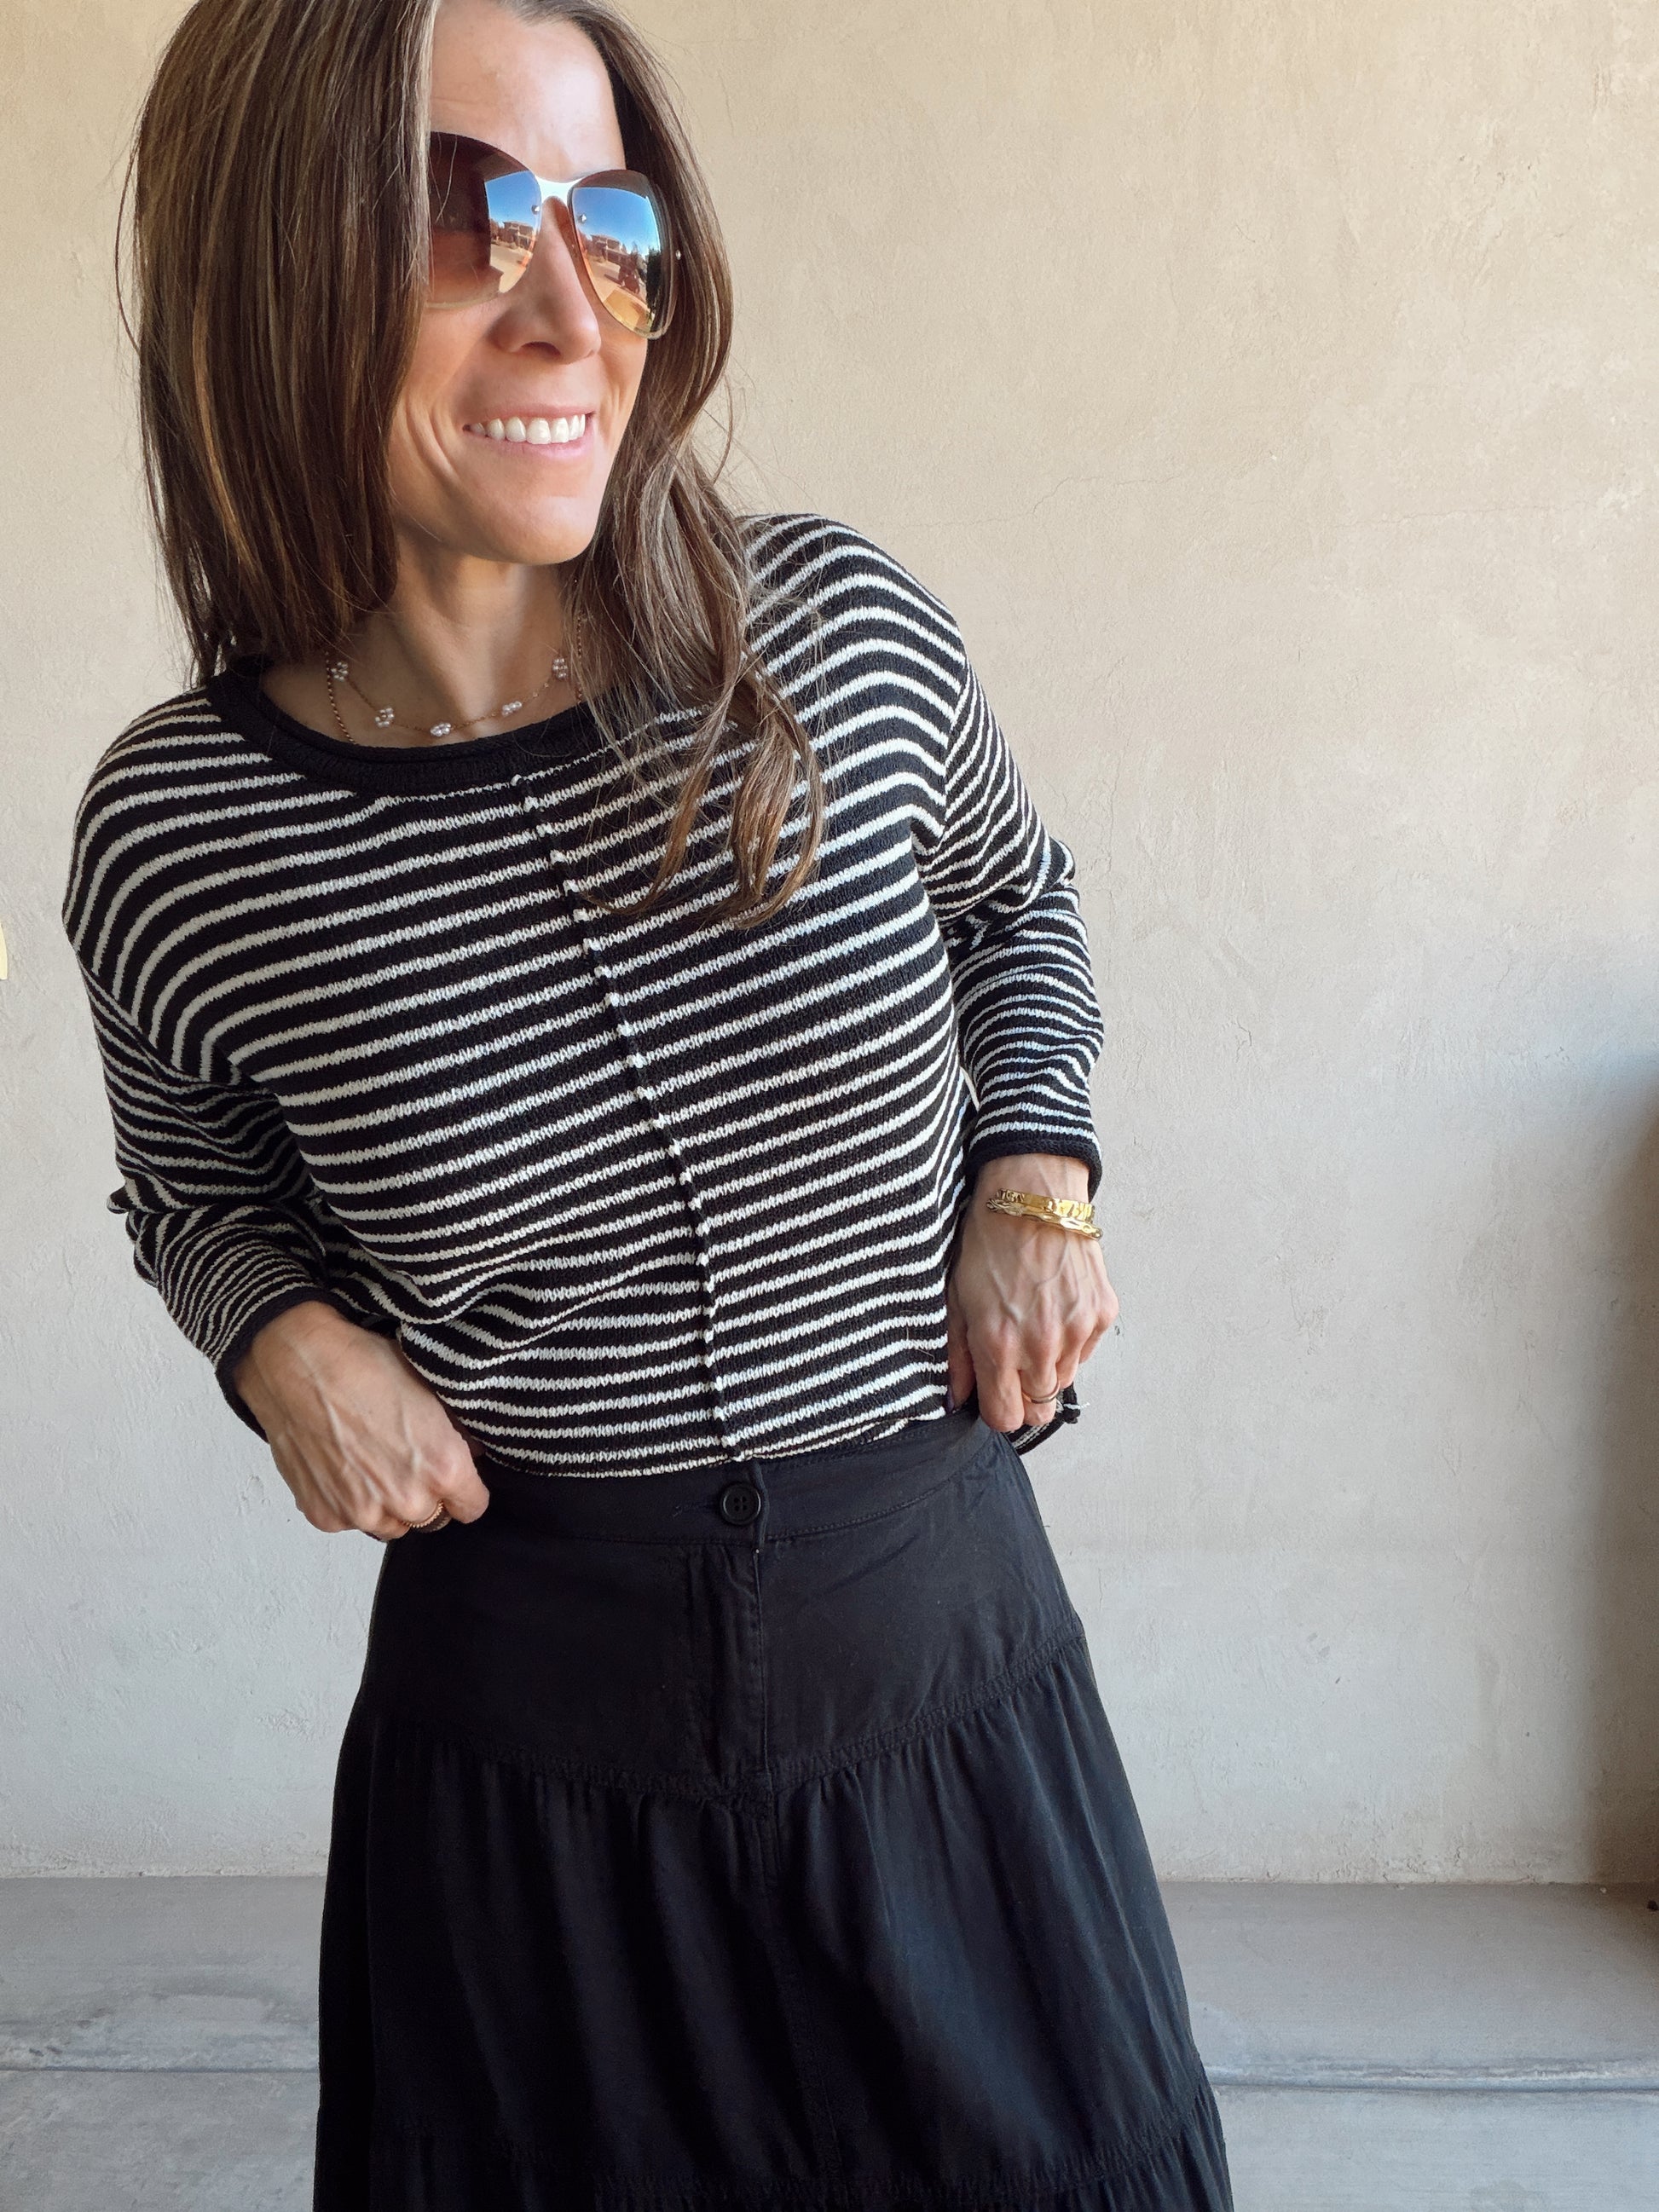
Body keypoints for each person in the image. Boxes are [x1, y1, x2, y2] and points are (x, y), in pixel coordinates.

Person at [64, 0, 1234, 2204]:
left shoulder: (833, 638)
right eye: (462, 212)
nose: (569, 303)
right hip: (527, 1767)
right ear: (268, 249)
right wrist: (277, 1339)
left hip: (937, 1682)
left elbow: (1015, 903)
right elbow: (193, 1174)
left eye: (609, 221)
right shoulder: (187, 833)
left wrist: (1036, 1171)